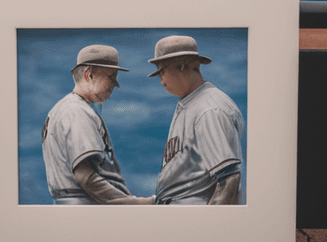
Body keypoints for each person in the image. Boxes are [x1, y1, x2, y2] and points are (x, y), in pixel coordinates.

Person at [42, 44, 154, 205]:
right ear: (90, 75)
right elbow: (86, 177)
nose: (116, 84)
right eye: (111, 76)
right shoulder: (76, 111)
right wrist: (135, 203)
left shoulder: (61, 108)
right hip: (88, 208)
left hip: (77, 206)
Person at [148, 35, 245, 205]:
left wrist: (209, 227)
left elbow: (229, 180)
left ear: (182, 66)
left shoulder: (209, 110)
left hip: (193, 220)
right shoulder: (192, 102)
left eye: (161, 71)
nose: (160, 80)